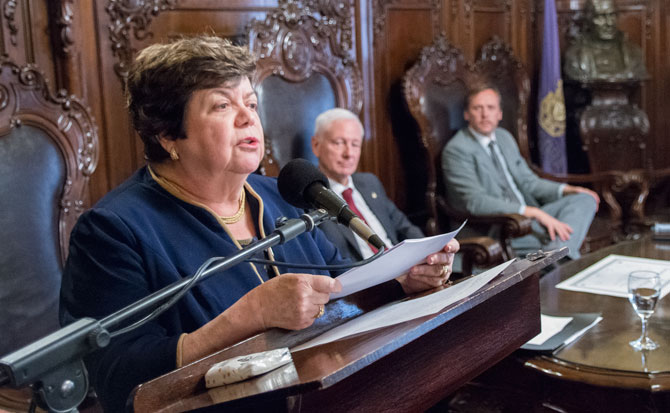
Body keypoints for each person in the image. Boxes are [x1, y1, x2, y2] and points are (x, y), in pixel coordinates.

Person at [59, 36, 459, 412]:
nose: (247, 118)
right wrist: (245, 318)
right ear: (167, 135)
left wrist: (402, 281)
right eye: (222, 106)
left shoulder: (281, 193)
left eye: (250, 103)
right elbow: (118, 379)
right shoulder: (113, 230)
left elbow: (344, 288)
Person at [442, 83, 599, 259]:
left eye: (490, 107)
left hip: (531, 219)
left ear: (499, 113)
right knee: (566, 237)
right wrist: (532, 212)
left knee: (585, 199)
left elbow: (528, 181)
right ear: (466, 114)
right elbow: (475, 202)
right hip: (501, 227)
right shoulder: (456, 149)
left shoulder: (504, 137)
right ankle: (560, 256)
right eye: (477, 108)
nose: (485, 114)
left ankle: (555, 254)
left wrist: (566, 189)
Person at [311, 108, 424, 260]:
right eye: (339, 143)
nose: (349, 153)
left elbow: (404, 227)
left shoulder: (369, 183)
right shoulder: (311, 197)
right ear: (316, 145)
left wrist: (431, 252)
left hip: (402, 267)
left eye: (355, 144)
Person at [564, 0, 647, 82]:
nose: (609, 23)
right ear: (588, 19)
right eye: (601, 16)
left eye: (612, 15)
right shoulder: (575, 56)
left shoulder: (634, 53)